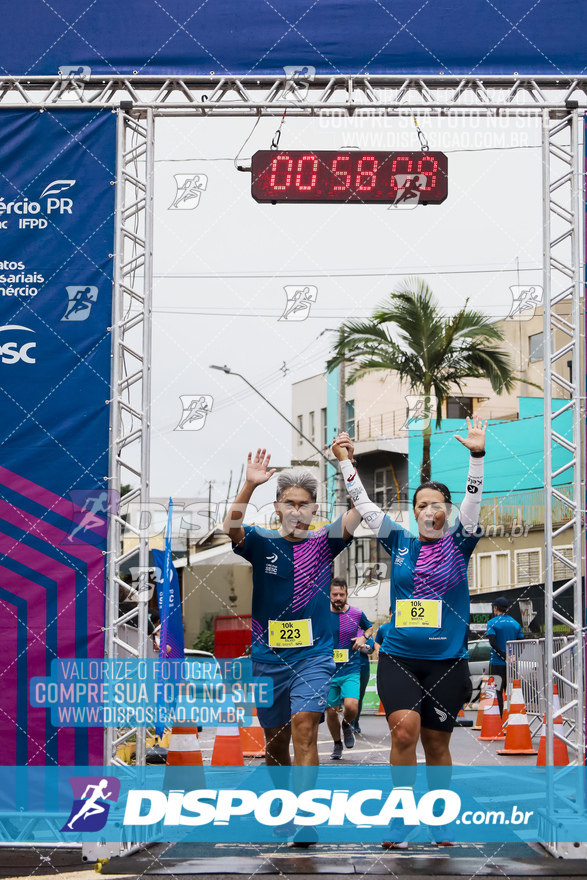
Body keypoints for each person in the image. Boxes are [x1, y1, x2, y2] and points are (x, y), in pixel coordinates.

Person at [332, 417, 486, 848]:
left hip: (447, 661)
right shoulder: (399, 540)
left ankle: (439, 818)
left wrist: (476, 457)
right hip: (399, 657)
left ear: (447, 510)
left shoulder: (461, 540)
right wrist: (346, 462)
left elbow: (473, 504)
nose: (428, 510)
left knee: (437, 745)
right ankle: (400, 817)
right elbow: (364, 505)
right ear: (414, 511)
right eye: (421, 504)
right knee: (403, 731)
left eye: (436, 504)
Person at [223, 449, 358, 770]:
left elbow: (360, 511)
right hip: (268, 658)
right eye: (289, 503)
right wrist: (249, 485)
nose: (296, 511)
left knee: (305, 729)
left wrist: (348, 464)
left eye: (303, 504)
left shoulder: (325, 540)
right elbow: (231, 527)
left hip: (313, 657)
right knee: (276, 741)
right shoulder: (261, 540)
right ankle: (283, 812)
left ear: (314, 509)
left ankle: (305, 816)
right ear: (277, 508)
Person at [326, 577, 373, 757]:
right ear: (329, 594)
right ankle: (337, 744)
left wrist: (364, 637)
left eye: (341, 594)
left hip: (350, 668)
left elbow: (369, 629)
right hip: (328, 670)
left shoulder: (356, 614)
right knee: (331, 711)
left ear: (347, 594)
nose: (338, 597)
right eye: (335, 594)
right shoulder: (321, 613)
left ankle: (347, 724)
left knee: (352, 706)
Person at [486, 597, 523, 716]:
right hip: (512, 664)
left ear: (495, 608)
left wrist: (503, 656)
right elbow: (521, 643)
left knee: (497, 693)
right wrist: (513, 656)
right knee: (512, 692)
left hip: (497, 663)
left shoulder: (492, 623)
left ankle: (499, 720)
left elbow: (492, 642)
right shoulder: (515, 623)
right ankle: (513, 720)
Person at [351, 630, 375, 734]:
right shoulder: (341, 628)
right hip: (345, 668)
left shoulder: (364, 632)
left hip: (362, 669)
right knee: (349, 697)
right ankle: (348, 722)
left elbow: (370, 650)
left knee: (358, 697)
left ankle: (355, 722)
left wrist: (359, 644)